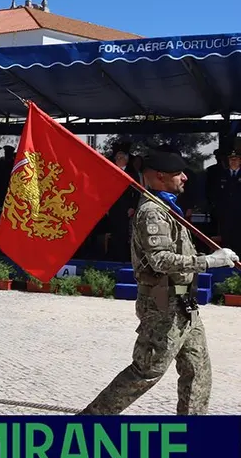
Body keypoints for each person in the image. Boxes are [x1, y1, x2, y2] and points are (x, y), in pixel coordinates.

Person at [80, 149, 237, 415]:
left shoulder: (167, 206)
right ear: (160, 176)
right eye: (179, 174)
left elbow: (180, 254)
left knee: (197, 371)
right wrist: (209, 262)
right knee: (146, 371)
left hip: (185, 303)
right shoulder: (152, 211)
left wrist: (206, 258)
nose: (185, 178)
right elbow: (160, 260)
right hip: (163, 304)